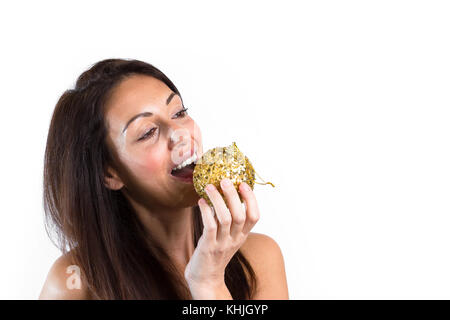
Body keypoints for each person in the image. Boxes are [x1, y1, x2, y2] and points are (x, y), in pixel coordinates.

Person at [38, 59, 288, 299]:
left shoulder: (260, 258)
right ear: (109, 173)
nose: (180, 134)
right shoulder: (73, 284)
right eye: (148, 132)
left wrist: (208, 282)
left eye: (179, 113)